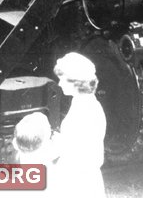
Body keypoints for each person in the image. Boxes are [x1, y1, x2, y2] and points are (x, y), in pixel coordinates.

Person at [52, 52, 106, 198]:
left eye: (63, 79)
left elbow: (79, 152)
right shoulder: (85, 103)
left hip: (80, 180)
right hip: (82, 176)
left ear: (76, 82)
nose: (59, 83)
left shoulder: (85, 109)